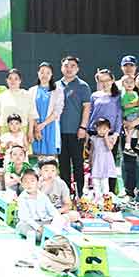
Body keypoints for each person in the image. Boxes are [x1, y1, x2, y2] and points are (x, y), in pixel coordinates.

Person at [57, 56, 91, 198]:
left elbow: (87, 108)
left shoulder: (83, 86)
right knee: (63, 164)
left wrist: (83, 127)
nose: (69, 68)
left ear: (77, 69)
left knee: (78, 163)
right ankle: (66, 195)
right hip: (59, 132)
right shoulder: (55, 85)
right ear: (61, 68)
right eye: (66, 65)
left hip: (76, 132)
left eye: (72, 66)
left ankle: (79, 194)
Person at [0, 69, 38, 147]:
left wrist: (30, 132)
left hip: (22, 132)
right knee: (7, 154)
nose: (13, 81)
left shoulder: (27, 95)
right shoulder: (2, 96)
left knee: (22, 153)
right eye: (10, 78)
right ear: (6, 80)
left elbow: (31, 115)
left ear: (20, 81)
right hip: (5, 131)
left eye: (16, 78)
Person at [28, 62, 64, 157]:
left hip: (51, 127)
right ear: (38, 73)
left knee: (51, 158)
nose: (45, 75)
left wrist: (43, 124)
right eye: (42, 72)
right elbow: (30, 111)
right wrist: (36, 128)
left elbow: (57, 111)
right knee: (36, 157)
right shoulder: (31, 91)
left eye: (48, 72)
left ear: (51, 75)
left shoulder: (58, 90)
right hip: (35, 127)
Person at [16, 170, 62, 242]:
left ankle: (52, 235)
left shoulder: (43, 196)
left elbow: (52, 210)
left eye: (32, 181)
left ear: (37, 183)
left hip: (45, 222)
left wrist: (56, 220)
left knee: (60, 220)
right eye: (26, 182)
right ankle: (49, 237)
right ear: (22, 184)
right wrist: (38, 228)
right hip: (30, 224)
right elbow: (26, 218)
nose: (29, 184)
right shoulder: (22, 198)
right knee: (22, 227)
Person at [89, 117, 118, 201]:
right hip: (96, 163)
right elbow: (91, 150)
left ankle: (105, 197)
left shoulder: (110, 138)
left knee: (104, 181)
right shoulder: (94, 138)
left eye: (104, 129)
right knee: (95, 181)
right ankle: (97, 197)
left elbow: (110, 147)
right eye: (99, 129)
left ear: (109, 129)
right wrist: (90, 161)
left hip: (105, 164)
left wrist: (106, 137)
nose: (101, 131)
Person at [120, 75, 139, 156]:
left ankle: (138, 144)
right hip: (130, 114)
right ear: (122, 84)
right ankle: (129, 146)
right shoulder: (125, 95)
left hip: (136, 114)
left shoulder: (135, 93)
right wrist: (137, 104)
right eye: (126, 82)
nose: (129, 84)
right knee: (131, 130)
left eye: (131, 82)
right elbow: (124, 106)